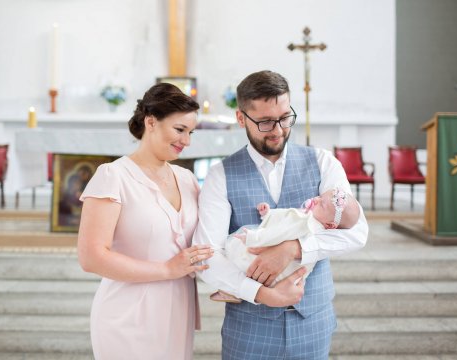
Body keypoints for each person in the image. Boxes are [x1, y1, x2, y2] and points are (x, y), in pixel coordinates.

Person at [193, 70, 368, 359]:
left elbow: (357, 231)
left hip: (312, 321)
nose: (278, 129)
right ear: (241, 119)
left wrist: (294, 249)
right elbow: (207, 256)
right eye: (264, 122)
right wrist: (261, 293)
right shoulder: (220, 176)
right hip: (250, 328)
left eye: (285, 117)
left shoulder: (324, 163)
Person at [77, 83, 214, 360]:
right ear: (151, 122)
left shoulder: (187, 180)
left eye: (190, 132)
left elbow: (206, 239)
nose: (186, 141)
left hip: (178, 312)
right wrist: (166, 269)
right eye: (179, 130)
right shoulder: (113, 176)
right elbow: (91, 257)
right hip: (128, 316)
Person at [210, 187, 360, 303]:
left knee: (239, 254)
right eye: (320, 197)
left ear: (330, 224)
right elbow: (287, 217)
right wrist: (268, 214)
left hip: (276, 264)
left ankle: (232, 291)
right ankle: (235, 291)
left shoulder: (307, 222)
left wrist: (252, 237)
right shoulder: (318, 224)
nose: (316, 199)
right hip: (290, 276)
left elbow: (277, 233)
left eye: (322, 204)